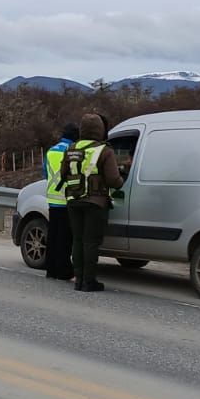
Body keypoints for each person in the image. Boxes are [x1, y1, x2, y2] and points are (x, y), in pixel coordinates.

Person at [59, 113, 122, 292]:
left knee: (78, 240)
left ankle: (78, 280)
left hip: (73, 200)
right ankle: (89, 281)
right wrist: (121, 181)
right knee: (91, 242)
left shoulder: (71, 149)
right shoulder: (104, 150)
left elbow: (63, 173)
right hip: (95, 202)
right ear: (100, 130)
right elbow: (113, 180)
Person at [42, 122, 79, 281]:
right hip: (66, 198)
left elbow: (45, 173)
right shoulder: (72, 151)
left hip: (52, 198)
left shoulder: (51, 151)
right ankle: (64, 271)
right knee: (65, 238)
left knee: (53, 235)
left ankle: (50, 269)